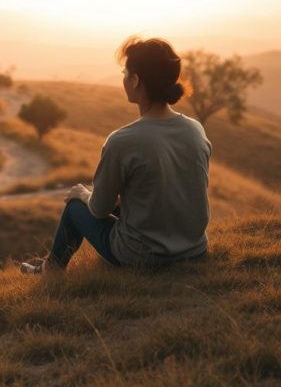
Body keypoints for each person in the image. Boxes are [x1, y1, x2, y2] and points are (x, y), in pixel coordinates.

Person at [20, 37, 211, 274]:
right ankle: (48, 265)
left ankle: (51, 270)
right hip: (195, 250)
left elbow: (99, 210)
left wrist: (82, 193)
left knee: (75, 207)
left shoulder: (122, 141)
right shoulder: (195, 129)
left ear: (135, 80)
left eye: (125, 72)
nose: (123, 78)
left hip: (142, 256)